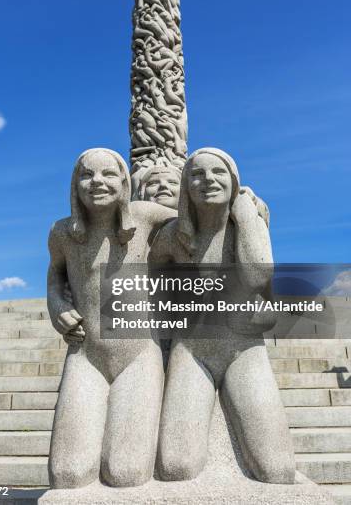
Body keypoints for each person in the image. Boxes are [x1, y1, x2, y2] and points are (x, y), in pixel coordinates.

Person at [149, 148, 295, 484]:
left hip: (243, 349)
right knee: (176, 466)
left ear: (234, 181)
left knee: (277, 468)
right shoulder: (173, 235)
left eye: (218, 172)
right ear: (186, 186)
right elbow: (150, 279)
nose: (208, 180)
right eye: (197, 174)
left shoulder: (248, 221)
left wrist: (245, 217)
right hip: (193, 350)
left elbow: (258, 273)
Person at [47, 148, 176, 489]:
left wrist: (244, 200)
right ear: (75, 186)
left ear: (123, 181)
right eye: (87, 175)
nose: (97, 182)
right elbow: (55, 277)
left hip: (138, 357)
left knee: (126, 473)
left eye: (107, 174)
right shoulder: (62, 233)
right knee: (68, 474)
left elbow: (199, 212)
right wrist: (57, 306)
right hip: (86, 355)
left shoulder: (145, 216)